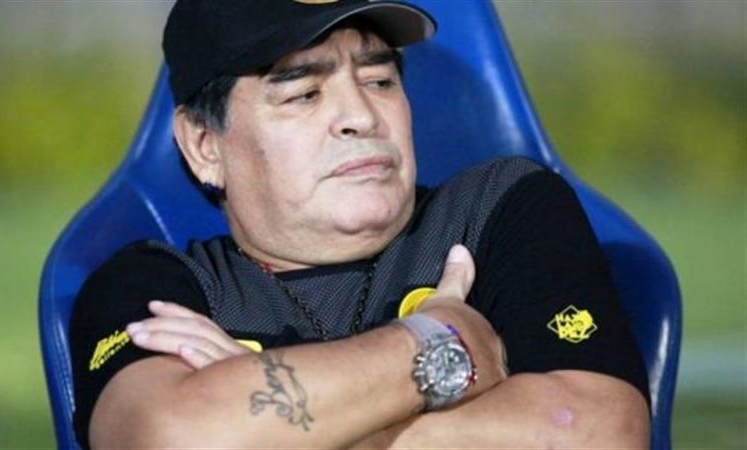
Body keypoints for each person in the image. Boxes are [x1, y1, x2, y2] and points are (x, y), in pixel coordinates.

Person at [69, 1, 651, 448]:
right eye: (304, 93)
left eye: (379, 82)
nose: (360, 116)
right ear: (204, 145)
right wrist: (442, 341)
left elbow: (597, 432)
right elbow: (171, 439)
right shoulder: (154, 288)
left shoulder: (500, 212)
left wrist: (277, 426)